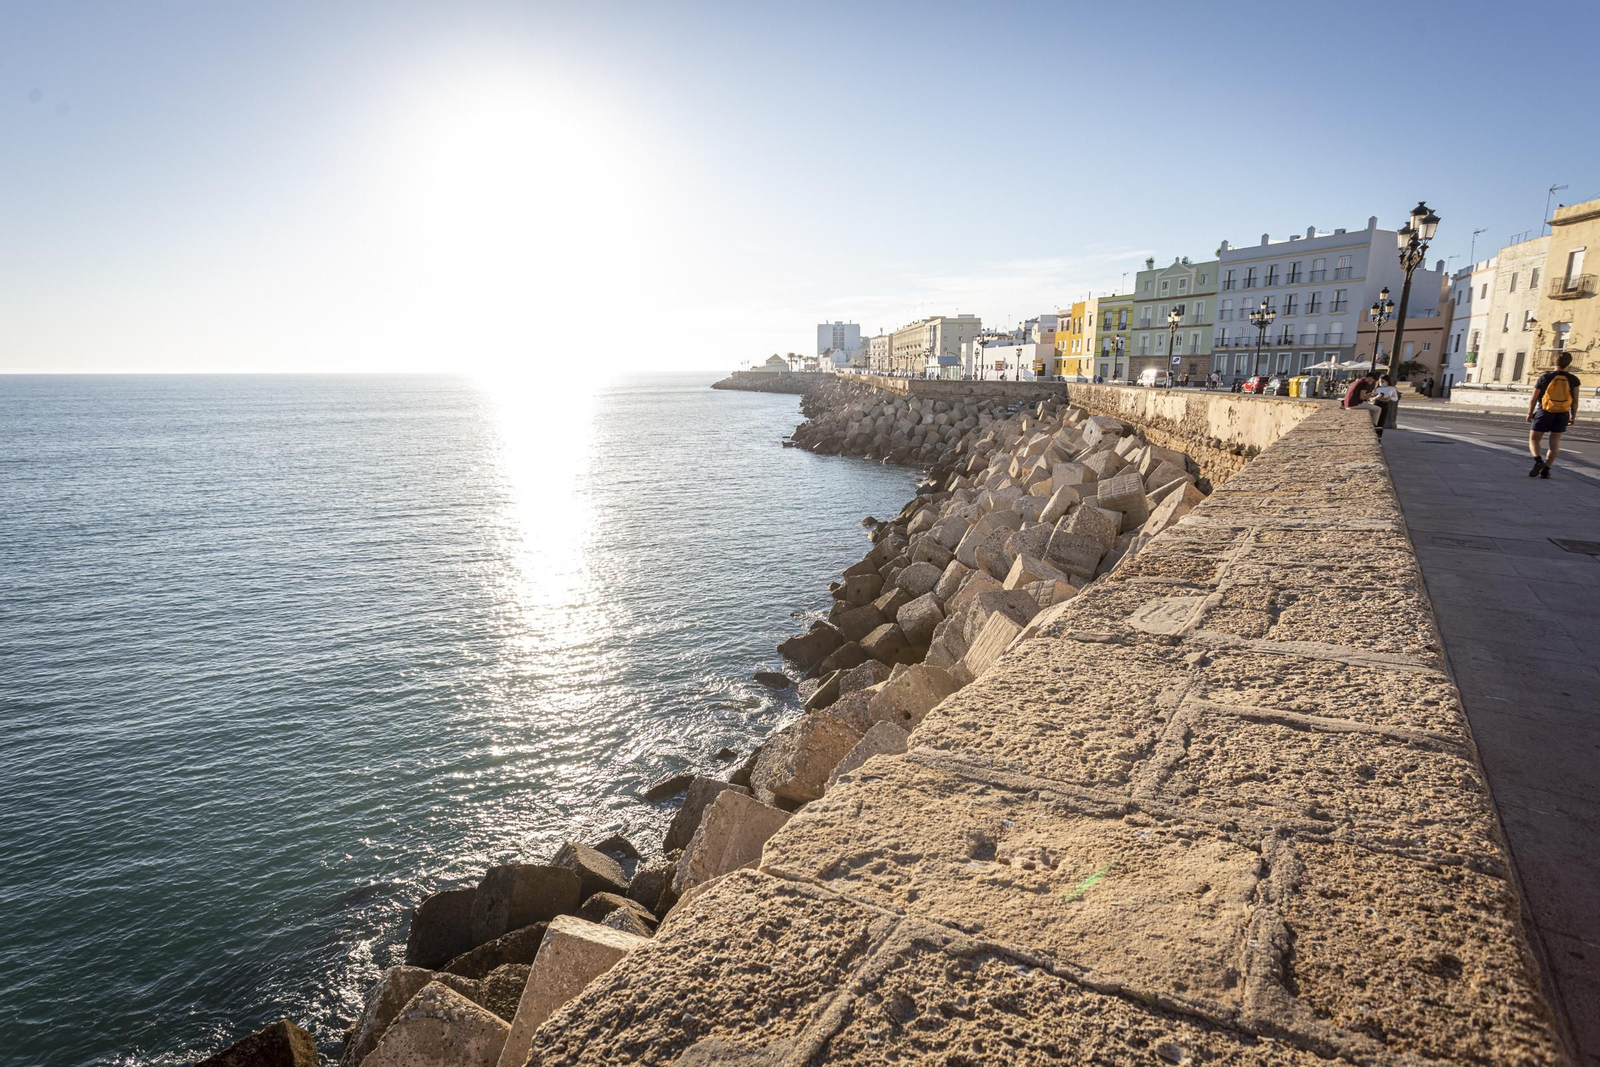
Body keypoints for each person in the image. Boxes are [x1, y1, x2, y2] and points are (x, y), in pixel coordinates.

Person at [1527, 352, 1581, 478]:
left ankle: (1538, 461)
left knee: (1534, 439)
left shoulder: (1544, 378)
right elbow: (1575, 400)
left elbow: (1533, 399)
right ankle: (1546, 469)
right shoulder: (1574, 379)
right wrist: (1573, 416)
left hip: (1544, 411)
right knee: (1555, 441)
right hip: (1562, 413)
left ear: (1554, 362)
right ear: (1569, 363)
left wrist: (1530, 413)